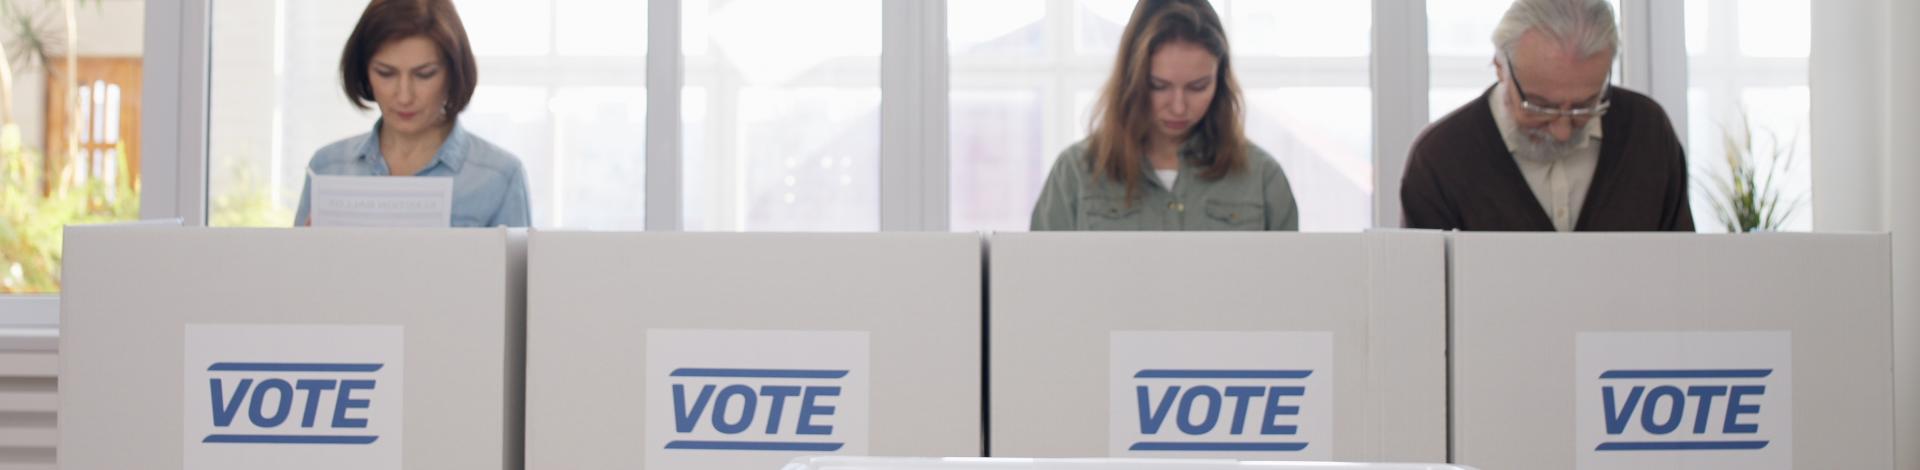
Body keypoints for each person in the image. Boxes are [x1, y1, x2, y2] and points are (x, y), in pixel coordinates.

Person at [1401, 0, 1691, 231]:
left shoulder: (1648, 133)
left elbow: (1682, 272)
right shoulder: (1440, 158)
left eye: (1586, 105)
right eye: (1539, 106)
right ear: (1500, 66)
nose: (1563, 130)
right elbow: (1424, 295)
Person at [1031, 0, 1296, 231]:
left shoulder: (1263, 178)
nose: (1178, 107)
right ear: (1131, 79)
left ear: (1221, 81)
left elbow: (1290, 285)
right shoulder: (1073, 174)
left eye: (1198, 86)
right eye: (1159, 86)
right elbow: (1036, 282)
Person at [295, 0, 530, 227]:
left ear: (453, 72)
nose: (404, 96)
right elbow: (295, 268)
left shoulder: (500, 177)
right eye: (386, 73)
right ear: (364, 71)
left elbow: (517, 269)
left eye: (424, 74)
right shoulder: (327, 168)